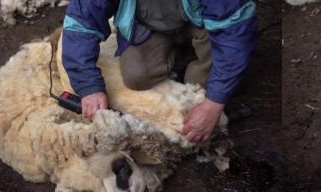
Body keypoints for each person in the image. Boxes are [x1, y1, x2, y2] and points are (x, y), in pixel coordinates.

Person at [61, 0, 257, 142]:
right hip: (149, 26)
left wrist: (214, 103)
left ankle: (201, 62)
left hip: (204, 22)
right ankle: (177, 54)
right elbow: (82, 20)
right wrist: (88, 86)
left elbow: (234, 31)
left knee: (200, 88)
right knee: (136, 75)